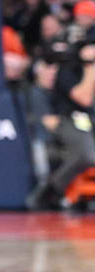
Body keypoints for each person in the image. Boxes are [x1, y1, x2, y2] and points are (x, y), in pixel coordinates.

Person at [27, 42, 95, 209]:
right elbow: (83, 98)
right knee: (88, 154)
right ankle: (52, 189)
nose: (53, 70)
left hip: (87, 123)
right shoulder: (65, 73)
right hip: (69, 124)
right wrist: (90, 68)